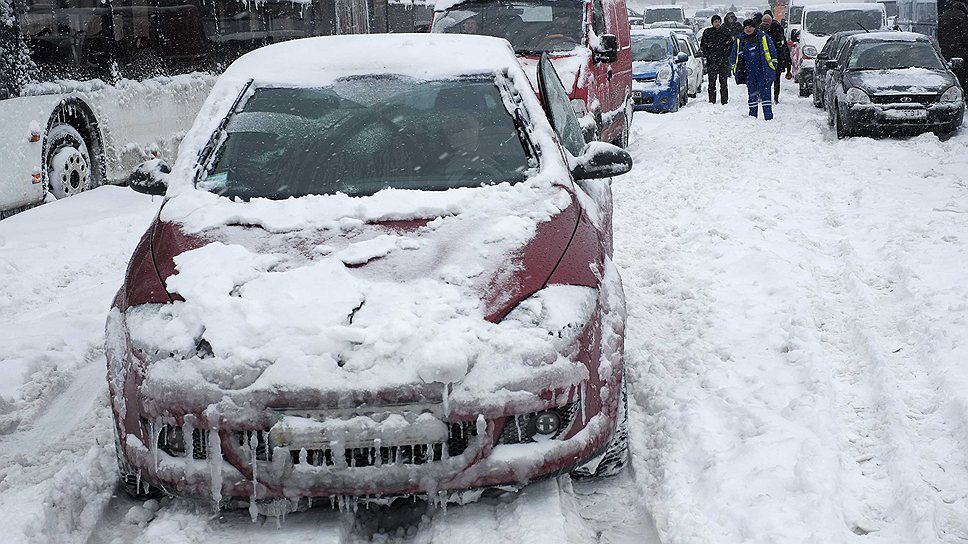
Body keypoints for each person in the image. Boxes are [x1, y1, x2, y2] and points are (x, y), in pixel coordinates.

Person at [729, 19, 778, 120]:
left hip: (763, 71)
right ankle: (752, 116)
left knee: (765, 95)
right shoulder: (740, 40)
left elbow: (772, 51)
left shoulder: (763, 37)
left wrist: (773, 65)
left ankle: (768, 117)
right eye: (746, 28)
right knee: (752, 94)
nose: (748, 29)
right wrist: (735, 68)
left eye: (750, 27)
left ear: (754, 27)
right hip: (748, 72)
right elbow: (734, 55)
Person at [701, 15, 732, 104]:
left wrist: (725, 55)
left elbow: (730, 45)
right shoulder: (707, 32)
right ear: (712, 23)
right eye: (715, 22)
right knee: (711, 83)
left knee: (723, 83)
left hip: (723, 61)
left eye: (719, 21)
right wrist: (708, 55)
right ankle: (712, 100)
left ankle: (724, 101)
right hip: (712, 61)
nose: (717, 23)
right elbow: (703, 46)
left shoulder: (725, 32)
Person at [761, 13, 792, 102]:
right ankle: (765, 96)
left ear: (771, 22)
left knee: (776, 79)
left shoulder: (777, 31)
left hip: (777, 59)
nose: (766, 24)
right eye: (764, 22)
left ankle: (775, 97)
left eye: (768, 22)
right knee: (764, 80)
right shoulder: (759, 32)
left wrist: (787, 64)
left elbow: (784, 47)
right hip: (764, 60)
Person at [939, 0, 968, 89]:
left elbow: (940, 37)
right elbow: (966, 36)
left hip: (947, 55)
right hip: (962, 56)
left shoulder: (944, 15)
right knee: (962, 81)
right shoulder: (962, 16)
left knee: (952, 80)